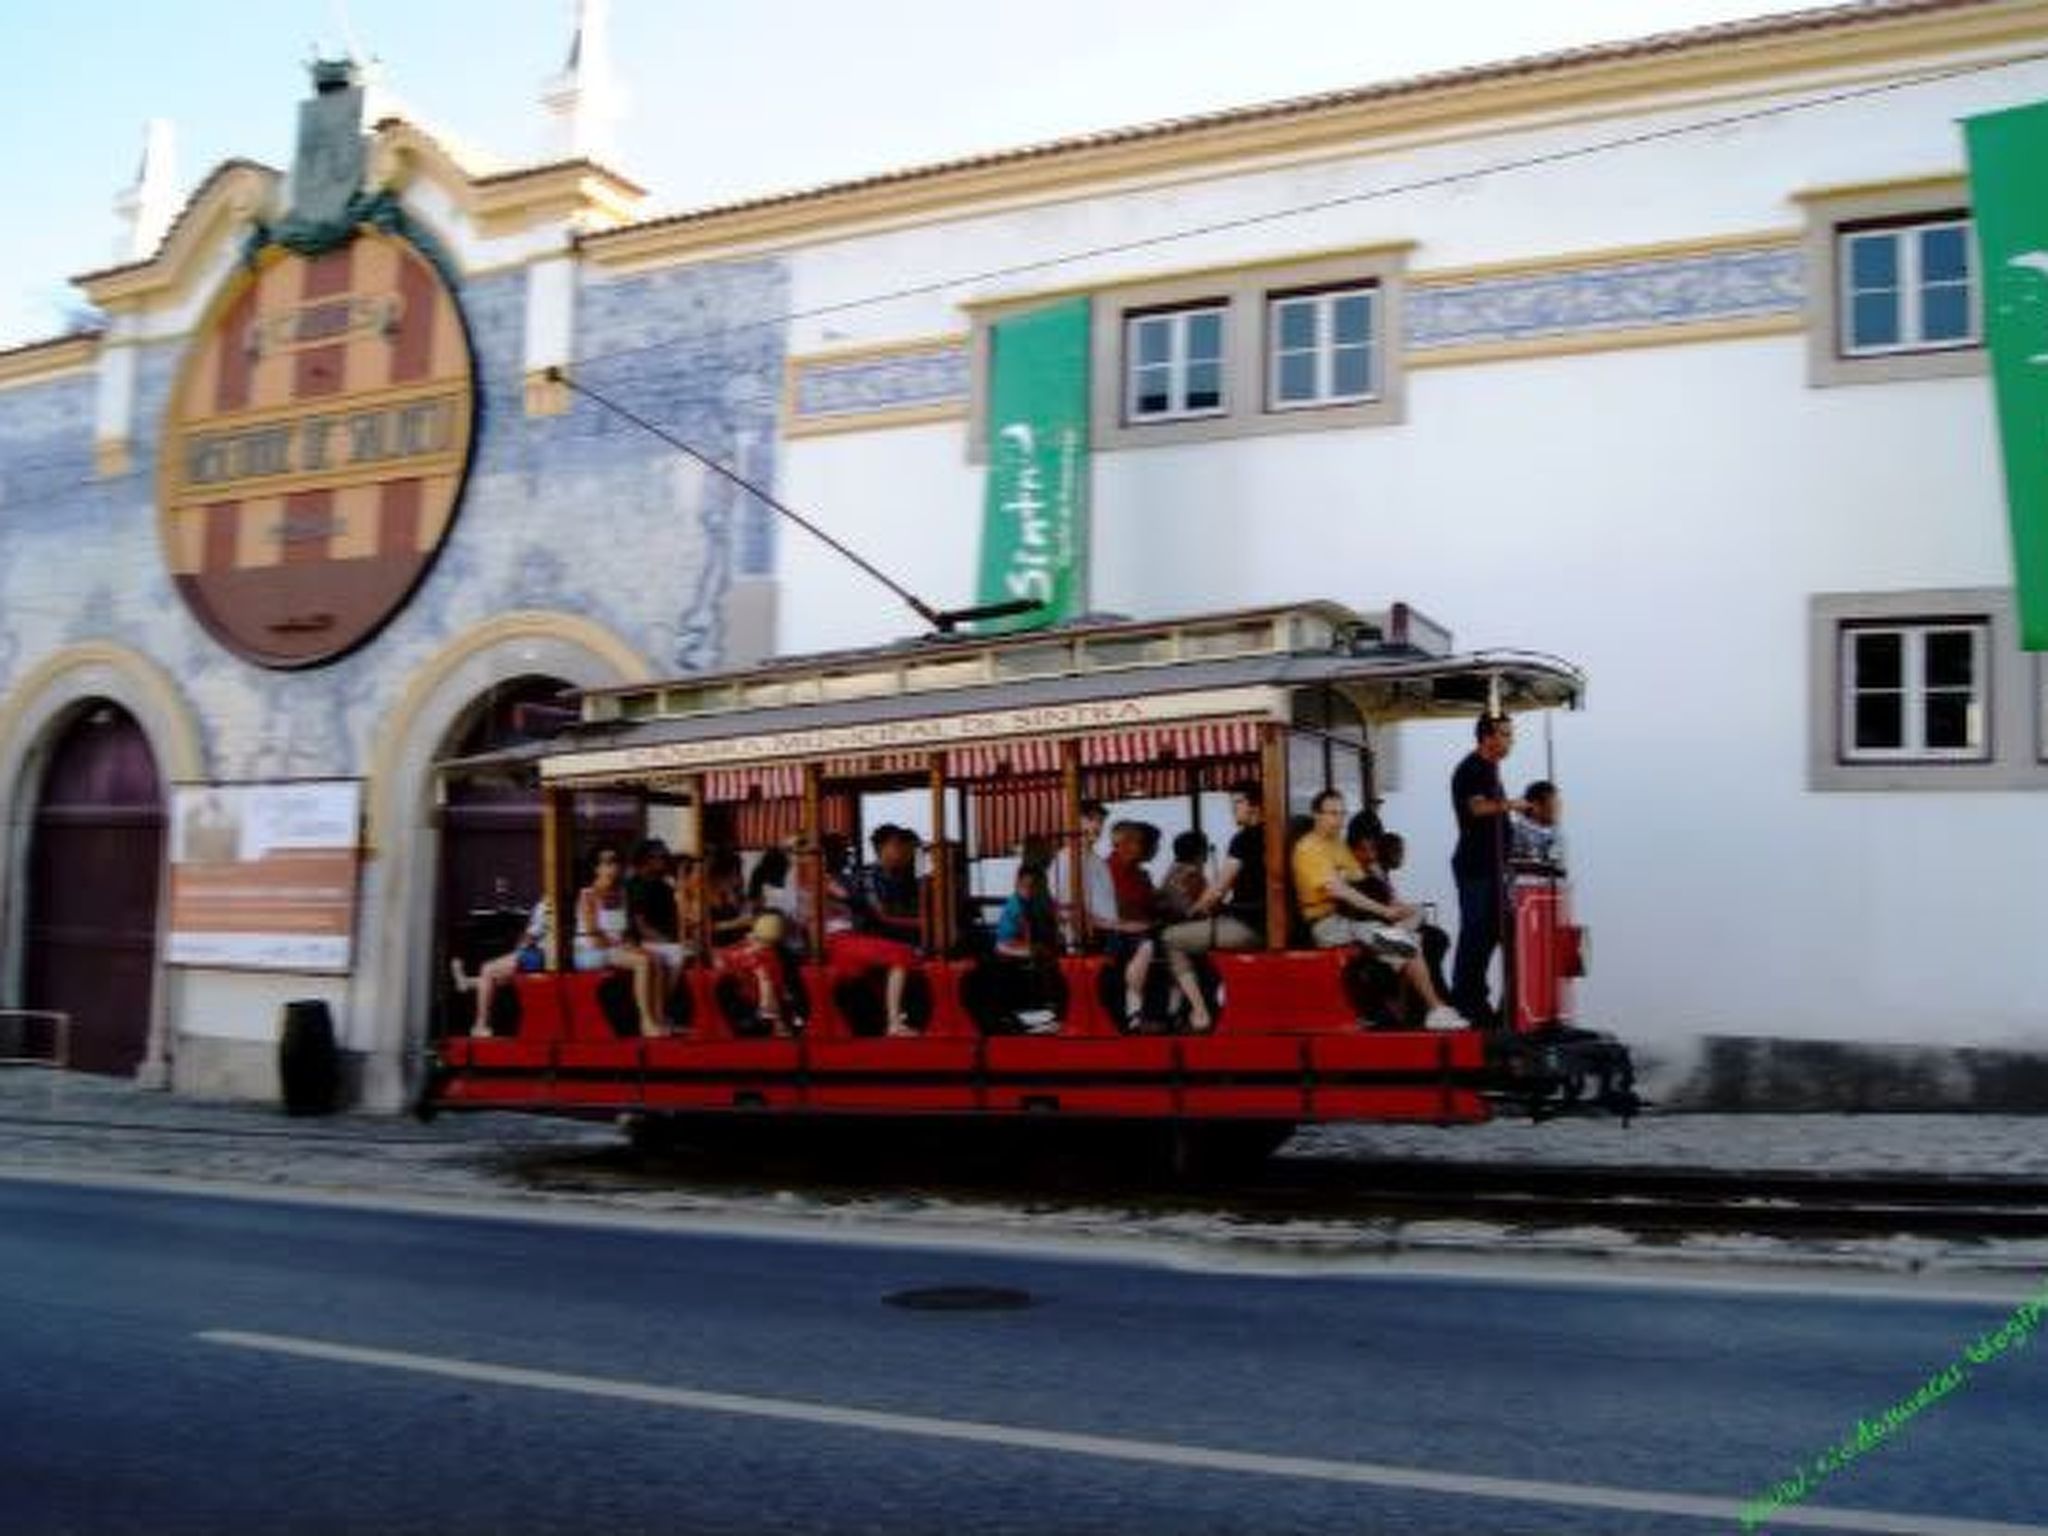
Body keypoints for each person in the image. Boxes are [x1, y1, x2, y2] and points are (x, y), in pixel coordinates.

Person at [1292, 788, 1466, 1031]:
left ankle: (1413, 1009)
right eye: (1332, 813)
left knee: (1417, 919)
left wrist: (1394, 901)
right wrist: (1384, 912)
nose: (1338, 820)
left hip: (1350, 917)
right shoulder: (1309, 848)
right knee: (1404, 943)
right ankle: (1435, 1009)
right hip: (1328, 923)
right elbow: (1338, 890)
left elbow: (1360, 880)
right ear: (1316, 815)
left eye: (1342, 814)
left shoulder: (1337, 845)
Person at [1161, 780, 1270, 1033]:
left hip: (1248, 927)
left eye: (1237, 804)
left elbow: (1220, 887)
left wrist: (1194, 911)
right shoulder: (1275, 833)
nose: (1233, 811)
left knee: (1171, 939)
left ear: (1255, 805)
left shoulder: (1244, 839)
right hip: (1263, 921)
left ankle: (1200, 1013)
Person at [1450, 714, 1529, 1026]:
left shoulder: (1491, 770)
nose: (1511, 741)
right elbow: (1477, 808)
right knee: (1475, 934)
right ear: (1486, 737)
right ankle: (1465, 1002)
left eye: (1510, 735)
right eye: (1505, 735)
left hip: (1495, 867)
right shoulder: (1471, 769)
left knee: (1501, 932)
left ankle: (1495, 1004)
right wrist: (1514, 805)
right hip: (1476, 866)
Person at [574, 845, 665, 1036]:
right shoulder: (588, 894)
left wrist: (631, 945)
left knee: (656, 958)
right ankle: (645, 1022)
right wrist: (625, 948)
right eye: (607, 862)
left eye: (615, 861)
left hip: (614, 949)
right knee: (642, 962)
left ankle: (659, 1018)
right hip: (591, 950)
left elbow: (623, 932)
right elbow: (593, 932)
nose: (613, 866)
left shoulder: (621, 894)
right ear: (596, 868)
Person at [1102, 819, 1163, 1031]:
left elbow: (1151, 905)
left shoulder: (1139, 874)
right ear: (1125, 844)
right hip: (1112, 933)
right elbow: (1118, 910)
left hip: (1139, 928)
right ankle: (1135, 1010)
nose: (1143, 846)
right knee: (1147, 944)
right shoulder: (1106, 871)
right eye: (1140, 841)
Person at [991, 862, 1063, 1033]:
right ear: (1018, 884)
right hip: (1006, 946)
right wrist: (1034, 946)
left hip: (1026, 945)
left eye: (1034, 886)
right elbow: (1005, 940)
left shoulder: (1041, 903)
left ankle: (1049, 1007)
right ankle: (1044, 1007)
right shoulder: (1015, 906)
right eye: (1026, 886)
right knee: (1042, 954)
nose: (1030, 890)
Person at [465, 897, 551, 1038]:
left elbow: (530, 936)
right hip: (543, 954)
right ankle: (468, 982)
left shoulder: (548, 903)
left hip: (539, 956)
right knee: (493, 979)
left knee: (487, 969)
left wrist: (517, 951)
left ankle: (480, 1025)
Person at [1051, 799, 1119, 950]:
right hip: (1084, 939)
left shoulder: (1099, 861)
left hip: (1106, 934)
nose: (1097, 826)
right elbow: (1065, 907)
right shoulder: (1066, 859)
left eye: (1100, 821)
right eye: (1090, 819)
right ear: (1075, 822)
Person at [719, 911, 794, 1036]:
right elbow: (767, 983)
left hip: (750, 1008)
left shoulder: (765, 956)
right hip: (747, 1007)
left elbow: (768, 985)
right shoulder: (751, 951)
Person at [1511, 780, 1566, 871]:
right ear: (1536, 805)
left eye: (1559, 804)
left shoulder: (1557, 835)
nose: (1558, 809)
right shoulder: (1515, 833)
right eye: (1554, 804)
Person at [1158, 830, 1209, 921]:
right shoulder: (1191, 874)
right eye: (1205, 847)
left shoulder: (1173, 870)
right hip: (1187, 921)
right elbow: (1200, 907)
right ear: (1200, 850)